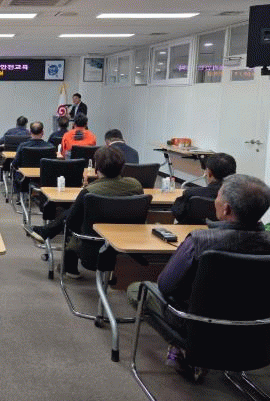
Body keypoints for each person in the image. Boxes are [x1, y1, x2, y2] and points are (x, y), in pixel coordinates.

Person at [129, 174, 270, 379]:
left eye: (218, 195)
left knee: (138, 289)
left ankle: (183, 348)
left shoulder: (200, 241)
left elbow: (165, 286)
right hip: (256, 327)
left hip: (197, 324)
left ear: (226, 209)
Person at [33, 145, 143, 277]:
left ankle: (67, 264)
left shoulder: (89, 191)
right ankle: (45, 232)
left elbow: (71, 223)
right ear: (122, 167)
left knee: (69, 217)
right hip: (127, 242)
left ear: (97, 168)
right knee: (71, 214)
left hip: (92, 244)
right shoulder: (135, 185)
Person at [171, 152, 236, 223]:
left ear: (209, 173)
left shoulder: (191, 193)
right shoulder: (240, 196)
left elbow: (177, 213)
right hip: (227, 229)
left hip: (194, 229)